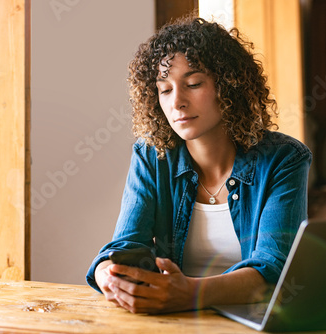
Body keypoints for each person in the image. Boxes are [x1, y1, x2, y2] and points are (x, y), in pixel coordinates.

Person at [85, 16, 312, 314]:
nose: (177, 101)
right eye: (165, 90)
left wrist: (191, 292)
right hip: (173, 320)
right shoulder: (153, 156)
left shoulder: (284, 159)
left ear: (228, 86)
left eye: (193, 84)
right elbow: (127, 246)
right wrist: (106, 274)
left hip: (251, 323)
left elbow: (274, 270)